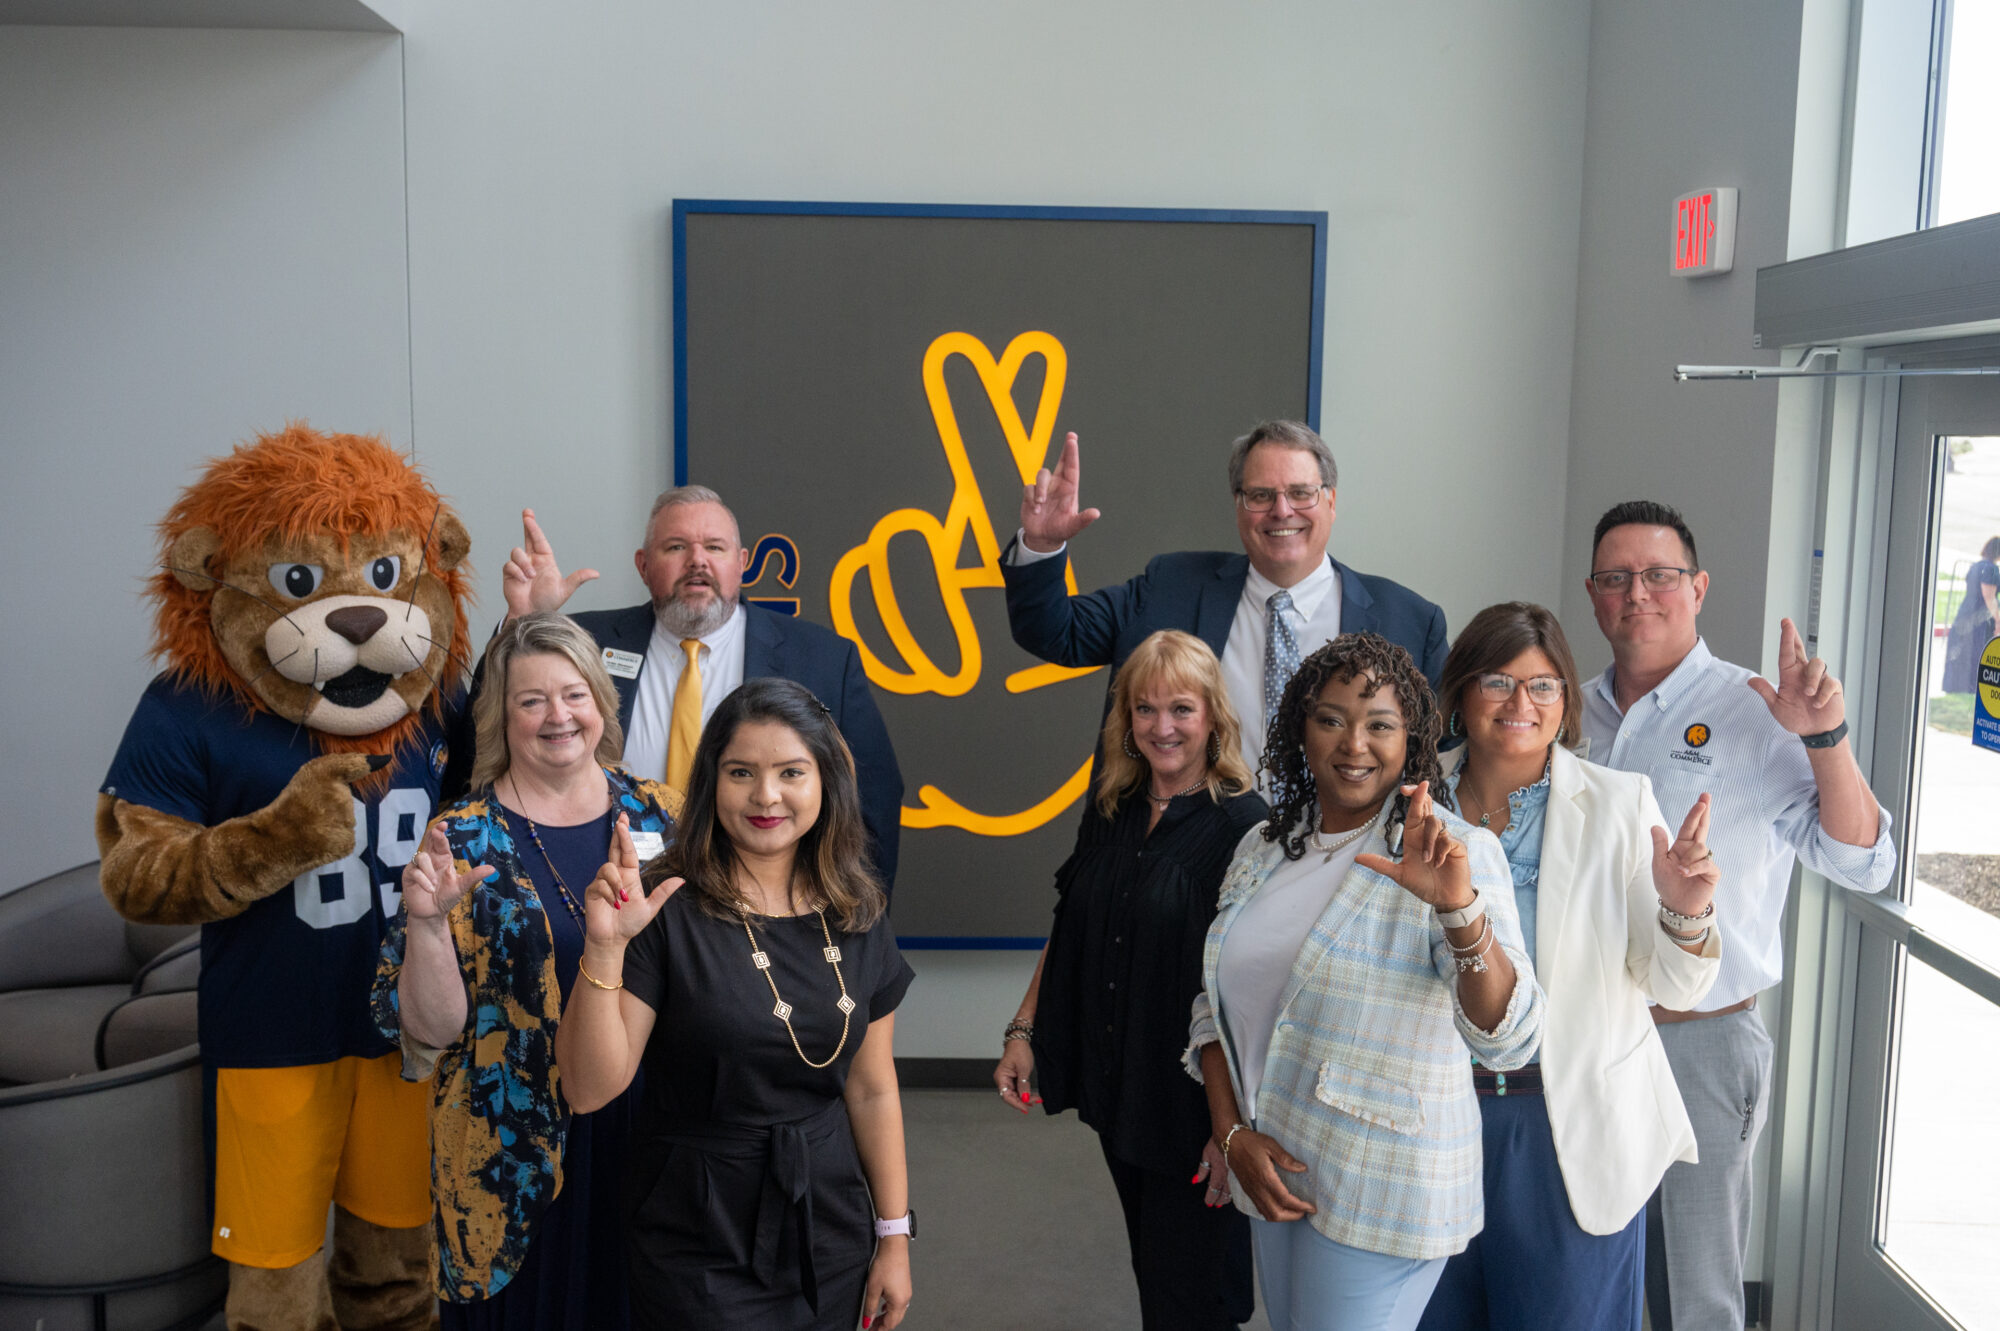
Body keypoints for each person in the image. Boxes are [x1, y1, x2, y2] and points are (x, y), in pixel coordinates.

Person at [1580, 500, 1897, 1331]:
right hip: (1579, 1034)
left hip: (1700, 1038)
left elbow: (1862, 860)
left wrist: (1825, 736)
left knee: (1694, 1294)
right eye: (1616, 578)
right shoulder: (1563, 713)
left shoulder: (1760, 708)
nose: (1637, 594)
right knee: (1582, 1265)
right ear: (1593, 594)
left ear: (1698, 587)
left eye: (1659, 575)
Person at [1186, 634, 1546, 1331]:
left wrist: (1459, 911)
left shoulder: (1452, 848)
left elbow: (1511, 1036)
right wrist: (1229, 1132)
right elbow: (1214, 1005)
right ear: (1302, 728)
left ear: (1410, 737)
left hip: (1383, 1182)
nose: (1355, 742)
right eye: (1331, 718)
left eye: (1380, 723)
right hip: (1275, 1168)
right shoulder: (1263, 845)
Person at [554, 677, 915, 1331]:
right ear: (711, 782)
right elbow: (585, 1089)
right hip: (696, 1225)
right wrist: (603, 949)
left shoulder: (857, 909)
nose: (766, 795)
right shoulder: (664, 903)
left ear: (826, 782)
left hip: (828, 1219)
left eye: (790, 772)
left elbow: (872, 1089)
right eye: (741, 771)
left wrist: (893, 1237)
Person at [1414, 603, 1723, 1331]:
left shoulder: (1618, 805)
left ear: (1565, 702)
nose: (1522, 704)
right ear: (1459, 691)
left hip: (1566, 1127)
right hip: (1432, 1119)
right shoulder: (1411, 805)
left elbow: (1675, 983)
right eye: (1498, 681)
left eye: (1545, 685)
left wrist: (1685, 909)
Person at [370, 612, 678, 1327]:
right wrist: (425, 924)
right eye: (530, 699)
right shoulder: (460, 838)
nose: (557, 715)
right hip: (503, 1157)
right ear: (499, 718)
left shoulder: (662, 812)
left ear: (602, 701)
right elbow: (431, 1026)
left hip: (648, 1138)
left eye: (574, 693)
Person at [993, 630, 1270, 1330]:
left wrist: (1228, 1125)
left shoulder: (1245, 823)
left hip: (1192, 1105)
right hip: (1121, 1089)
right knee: (1159, 1278)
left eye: (1181, 708)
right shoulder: (1112, 804)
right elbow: (1070, 922)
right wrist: (1024, 1027)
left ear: (1213, 715)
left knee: (1194, 1296)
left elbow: (1252, 988)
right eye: (1144, 709)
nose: (1162, 727)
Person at [1002, 422, 1450, 786]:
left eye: (1300, 493)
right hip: (1185, 868)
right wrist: (1041, 545)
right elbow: (1054, 633)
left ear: (1330, 501)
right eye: (1260, 495)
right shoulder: (1171, 586)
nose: (1282, 510)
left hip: (1345, 874)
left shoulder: (1408, 620)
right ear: (1238, 506)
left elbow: (1444, 743)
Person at [498, 490, 904, 888]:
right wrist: (523, 619)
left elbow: (874, 802)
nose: (697, 561)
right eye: (676, 547)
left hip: (763, 908)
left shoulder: (823, 660)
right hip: (605, 898)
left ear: (742, 563)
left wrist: (858, 919)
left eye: (715, 547)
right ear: (643, 566)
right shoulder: (584, 642)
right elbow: (489, 735)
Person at [1942, 535, 2000, 694]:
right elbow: (1989, 597)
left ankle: (1957, 688)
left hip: (1965, 615)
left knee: (1962, 655)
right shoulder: (1991, 569)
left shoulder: (1976, 566)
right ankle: (1972, 689)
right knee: (1976, 655)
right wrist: (1998, 620)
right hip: (1978, 621)